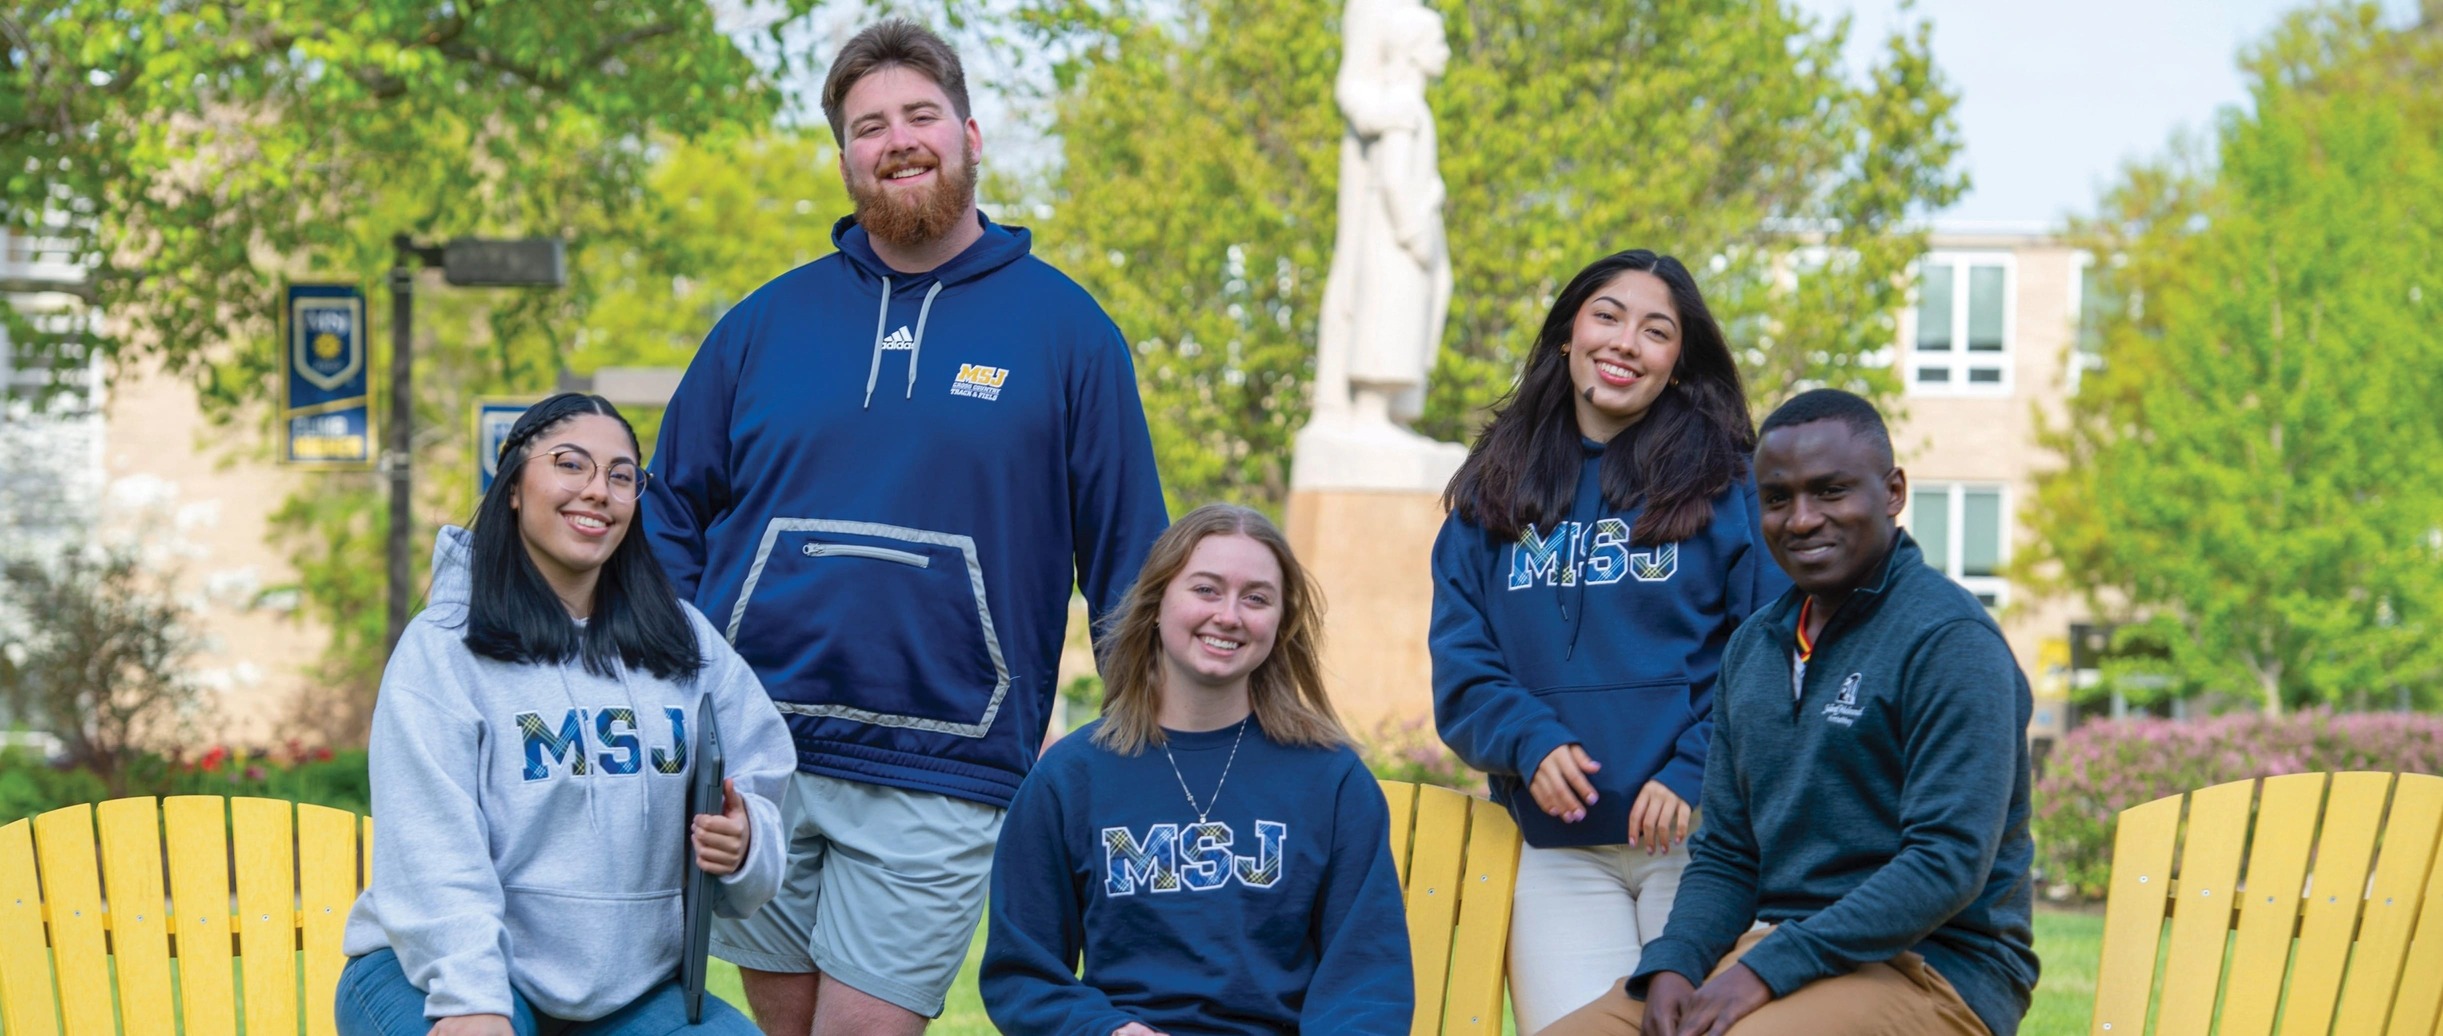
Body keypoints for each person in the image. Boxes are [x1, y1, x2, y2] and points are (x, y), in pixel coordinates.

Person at [641, 17, 1170, 1036]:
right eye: (868, 126)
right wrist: (675, 686)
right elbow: (667, 512)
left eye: (920, 115)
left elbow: (1128, 563)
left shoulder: (1068, 335)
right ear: (844, 159)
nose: (898, 140)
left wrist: (1147, 751)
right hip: (757, 759)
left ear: (972, 135)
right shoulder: (762, 325)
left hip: (948, 762)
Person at [1538, 388, 2038, 1036]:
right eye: (1777, 499)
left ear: (1891, 492)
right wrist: (1675, 965)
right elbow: (1725, 854)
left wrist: (1764, 970)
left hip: (1937, 970)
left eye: (1830, 492)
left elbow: (1944, 861)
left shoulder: (1948, 640)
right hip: (1777, 954)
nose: (1800, 520)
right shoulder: (1753, 647)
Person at [337, 393, 796, 1036]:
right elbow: (432, 849)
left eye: (620, 476)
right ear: (515, 486)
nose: (598, 491)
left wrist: (748, 843)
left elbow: (761, 779)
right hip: (430, 969)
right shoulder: (444, 645)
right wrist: (473, 1000)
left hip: (626, 991)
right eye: (571, 464)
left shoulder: (683, 641)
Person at [1428, 249, 1789, 1032]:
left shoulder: (1731, 487)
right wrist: (1525, 738)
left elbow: (1772, 651)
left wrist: (1698, 766)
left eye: (1655, 331)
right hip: (1559, 854)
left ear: (1676, 363)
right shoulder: (1491, 492)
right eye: (1607, 317)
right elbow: (1462, 669)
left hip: (1704, 845)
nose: (1625, 343)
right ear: (1568, 334)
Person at [980, 504, 1413, 1036]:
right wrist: (1105, 1032)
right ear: (1157, 602)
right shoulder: (1069, 781)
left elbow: (1368, 982)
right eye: (1206, 589)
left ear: (1280, 623)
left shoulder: (1332, 782)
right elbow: (1022, 975)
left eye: (1256, 598)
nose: (1229, 615)